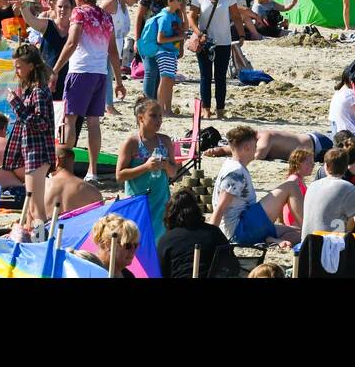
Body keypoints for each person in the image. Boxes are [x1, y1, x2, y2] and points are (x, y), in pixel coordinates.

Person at [51, 0, 125, 185]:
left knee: (69, 120)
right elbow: (113, 51)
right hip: (100, 73)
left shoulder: (80, 13)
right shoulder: (105, 16)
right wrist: (118, 80)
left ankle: (63, 168)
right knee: (93, 122)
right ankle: (92, 171)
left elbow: (72, 42)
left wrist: (55, 69)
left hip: (80, 71)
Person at [209, 126, 303, 246]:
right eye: (255, 146)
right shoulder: (236, 172)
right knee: (291, 186)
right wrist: (210, 238)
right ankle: (307, 228)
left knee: (298, 233)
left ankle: (274, 240)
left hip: (243, 225)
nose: (256, 149)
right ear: (247, 148)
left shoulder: (231, 164)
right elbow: (220, 208)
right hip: (240, 230)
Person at [2, 45, 55, 230]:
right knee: (32, 207)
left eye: (18, 67)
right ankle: (35, 239)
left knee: (36, 207)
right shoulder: (31, 89)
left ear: (31, 66)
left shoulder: (38, 91)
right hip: (31, 152)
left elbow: (42, 123)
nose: (16, 71)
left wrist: (16, 105)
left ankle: (40, 243)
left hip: (38, 152)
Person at [115, 98, 176, 241]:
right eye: (153, 116)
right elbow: (119, 175)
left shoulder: (165, 141)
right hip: (138, 201)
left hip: (161, 201)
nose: (159, 120)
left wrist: (167, 165)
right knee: (137, 240)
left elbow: (173, 172)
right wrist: (145, 167)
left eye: (160, 116)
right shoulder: (132, 143)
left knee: (158, 242)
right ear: (141, 118)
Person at [187, 0, 237, 119]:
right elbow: (191, 17)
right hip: (204, 41)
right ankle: (206, 109)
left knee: (221, 77)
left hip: (223, 41)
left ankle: (220, 109)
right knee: (205, 76)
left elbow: (235, 15)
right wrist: (198, 32)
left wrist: (241, 35)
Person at [158, 187, 231, 279]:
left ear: (170, 214)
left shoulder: (166, 240)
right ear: (196, 210)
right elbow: (232, 265)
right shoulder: (214, 232)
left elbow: (162, 272)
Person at [300, 147, 355, 241]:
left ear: (326, 166)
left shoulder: (312, 185)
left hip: (307, 246)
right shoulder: (347, 187)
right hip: (329, 247)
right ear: (345, 168)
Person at [74, 215, 140, 278]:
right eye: (127, 245)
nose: (133, 250)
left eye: (135, 245)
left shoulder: (128, 275)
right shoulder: (87, 270)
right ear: (108, 244)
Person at [44, 146, 103, 215]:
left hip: (49, 225)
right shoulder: (93, 191)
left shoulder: (41, 187)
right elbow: (99, 221)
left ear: (56, 161)